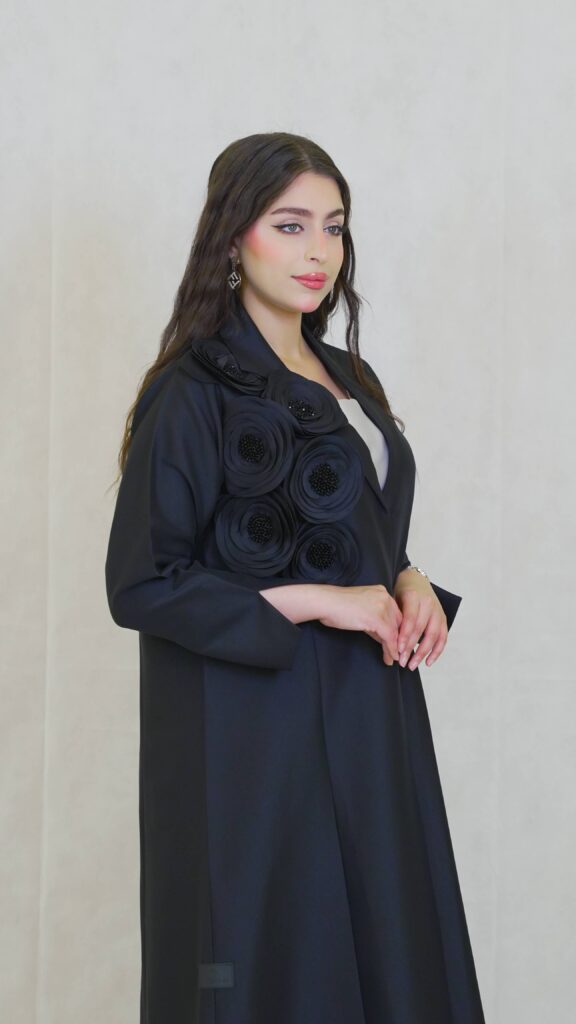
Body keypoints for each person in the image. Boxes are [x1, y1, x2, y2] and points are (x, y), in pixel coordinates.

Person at [105, 131, 486, 1024]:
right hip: (256, 732)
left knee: (390, 948)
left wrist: (410, 579)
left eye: (334, 227)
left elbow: (367, 537)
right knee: (280, 955)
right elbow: (143, 584)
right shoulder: (191, 392)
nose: (318, 251)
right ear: (234, 236)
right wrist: (323, 602)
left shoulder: (351, 374)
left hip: (369, 713)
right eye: (290, 225)